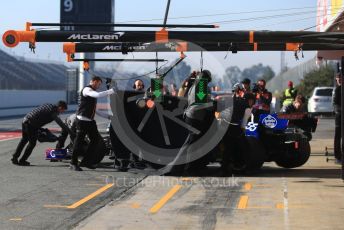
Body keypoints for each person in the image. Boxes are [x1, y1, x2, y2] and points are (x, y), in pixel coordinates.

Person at [70, 76, 116, 171]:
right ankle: (73, 163)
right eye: (99, 84)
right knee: (78, 142)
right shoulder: (87, 90)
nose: (99, 86)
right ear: (94, 82)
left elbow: (95, 110)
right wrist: (111, 90)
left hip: (90, 121)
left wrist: (108, 116)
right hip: (82, 121)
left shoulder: (92, 93)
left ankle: (87, 162)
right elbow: (98, 95)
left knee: (95, 141)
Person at [11, 101, 68, 166]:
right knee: (32, 143)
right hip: (31, 124)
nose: (62, 112)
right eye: (63, 110)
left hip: (25, 120)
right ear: (60, 107)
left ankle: (14, 157)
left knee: (24, 140)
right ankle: (22, 160)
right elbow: (60, 123)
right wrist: (70, 132)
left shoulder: (48, 105)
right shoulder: (53, 112)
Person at [222, 83, 255, 173]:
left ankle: (225, 168)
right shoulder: (244, 104)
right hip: (235, 128)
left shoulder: (227, 100)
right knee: (240, 147)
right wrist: (243, 130)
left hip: (225, 127)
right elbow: (244, 121)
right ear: (240, 91)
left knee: (227, 149)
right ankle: (239, 166)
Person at [333, 73, 342, 163]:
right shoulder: (337, 89)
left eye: (340, 78)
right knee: (338, 136)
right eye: (338, 78)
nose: (339, 79)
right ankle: (338, 156)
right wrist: (339, 110)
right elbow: (335, 104)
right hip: (339, 116)